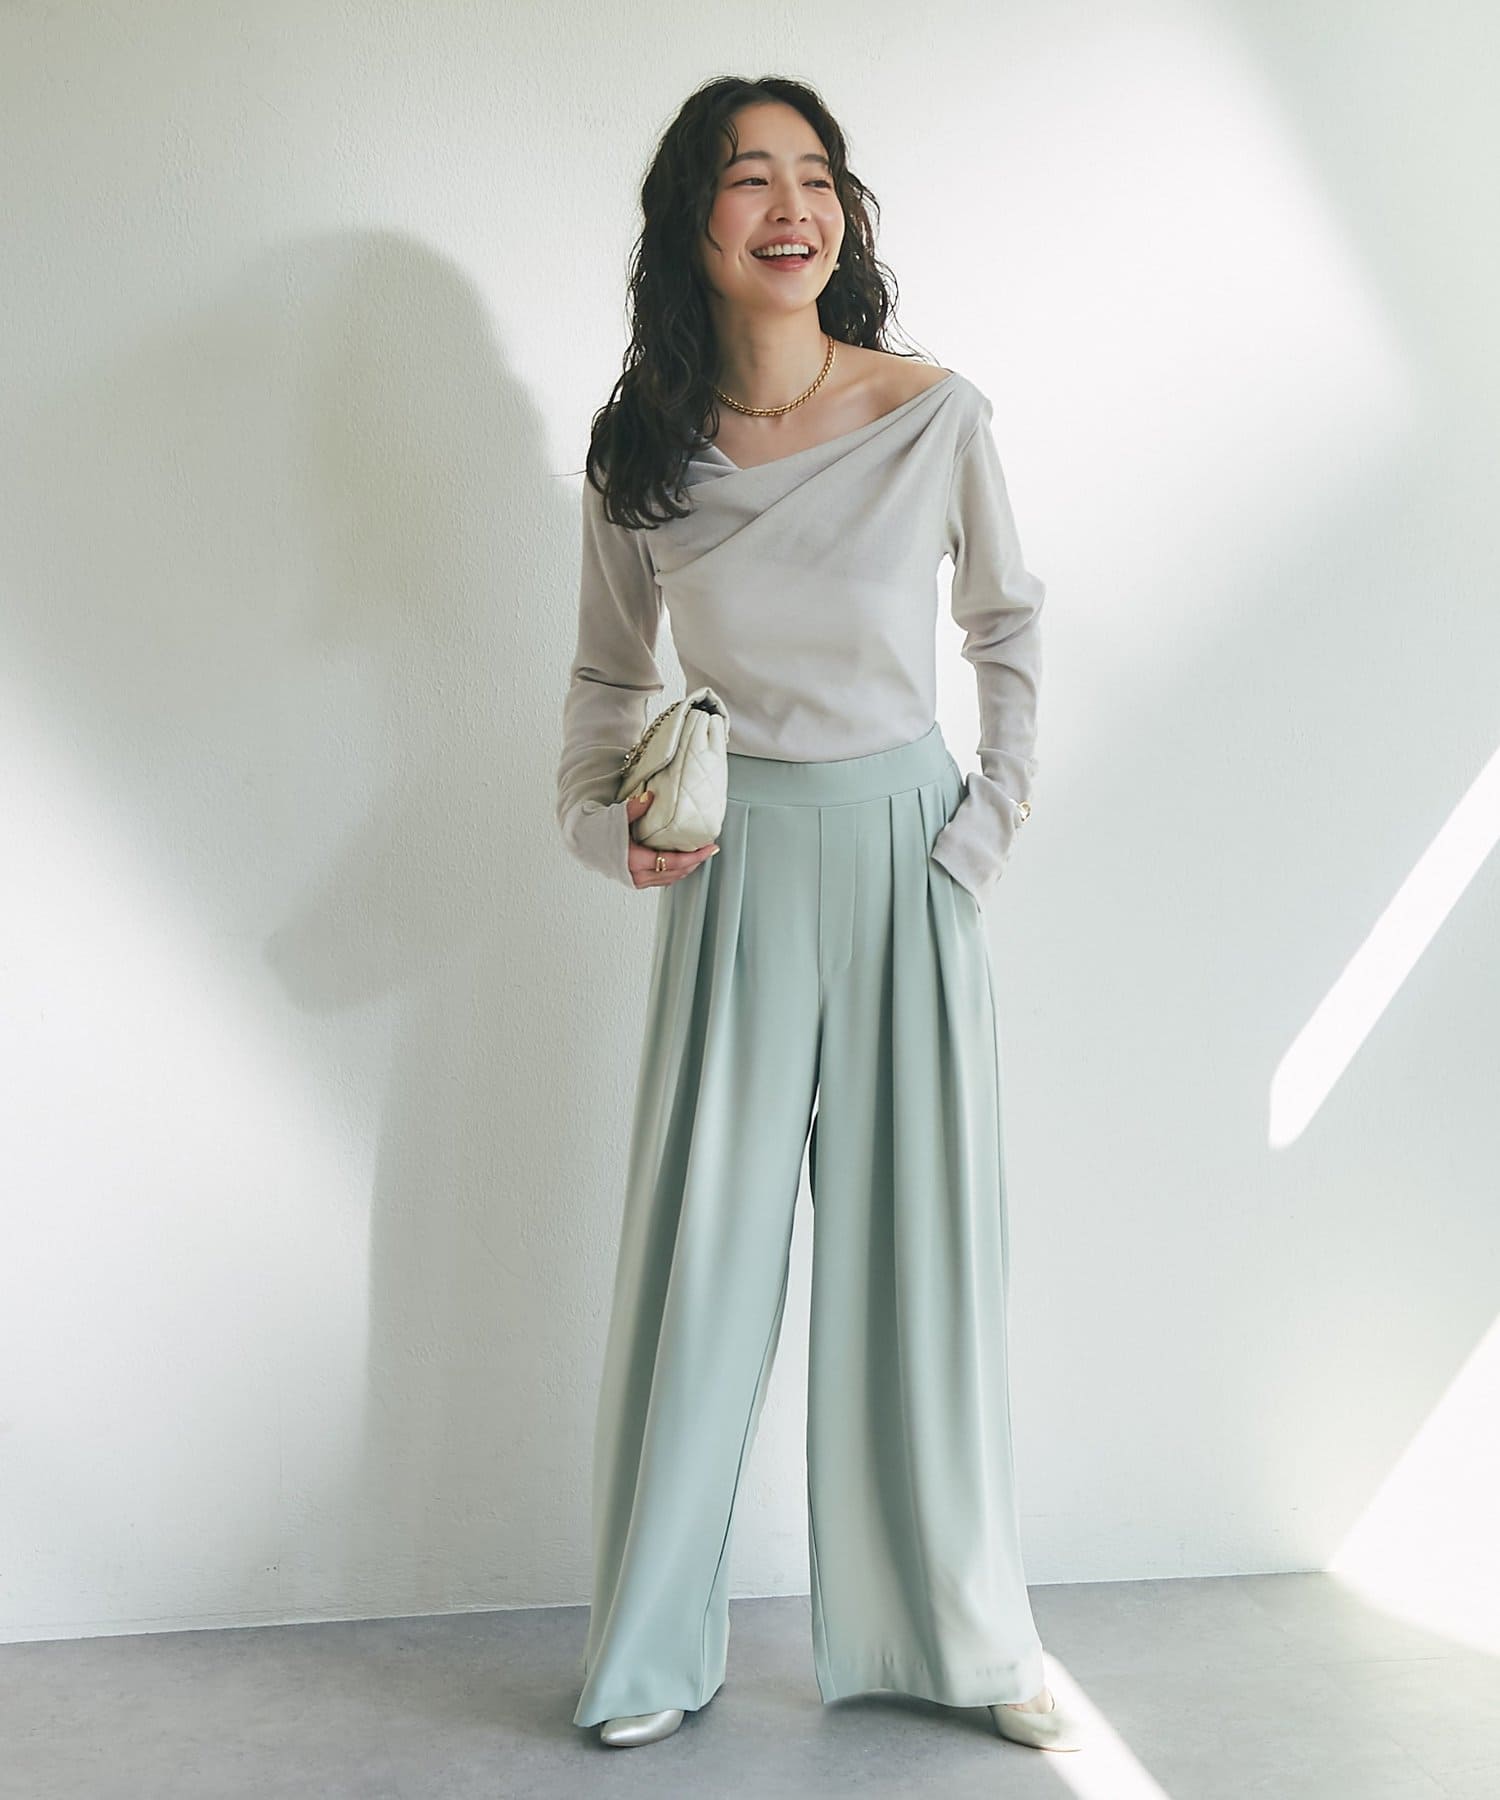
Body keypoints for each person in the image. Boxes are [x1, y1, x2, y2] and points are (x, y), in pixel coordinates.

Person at [554, 75, 1085, 1757]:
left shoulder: (934, 414)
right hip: (731, 870)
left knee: (923, 1264)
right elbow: (604, 680)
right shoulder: (645, 450)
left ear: (843, 215)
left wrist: (982, 833)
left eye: (815, 175)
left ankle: (968, 1639)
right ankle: (653, 1648)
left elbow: (1007, 629)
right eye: (747, 178)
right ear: (691, 223)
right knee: (702, 1267)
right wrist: (603, 827)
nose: (791, 206)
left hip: (907, 860)